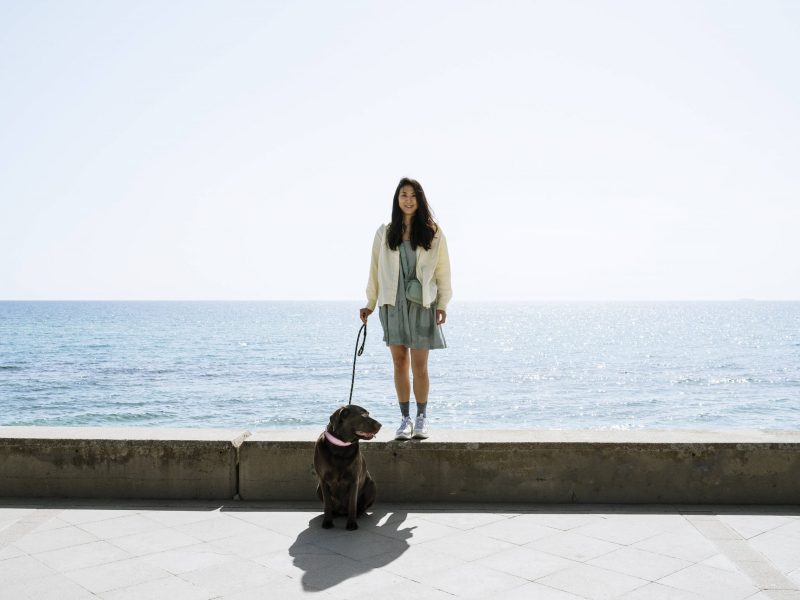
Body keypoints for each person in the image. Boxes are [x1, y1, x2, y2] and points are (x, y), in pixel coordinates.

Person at [359, 177, 452, 440]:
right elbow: (374, 271)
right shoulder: (385, 232)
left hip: (422, 304)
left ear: (420, 199)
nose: (408, 200)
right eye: (403, 195)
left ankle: (422, 418)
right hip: (392, 304)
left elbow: (443, 271)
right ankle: (405, 419)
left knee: (420, 365)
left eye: (413, 195)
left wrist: (443, 303)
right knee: (400, 363)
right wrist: (369, 303)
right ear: (397, 199)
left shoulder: (433, 231)